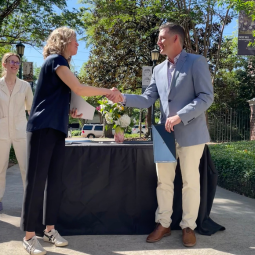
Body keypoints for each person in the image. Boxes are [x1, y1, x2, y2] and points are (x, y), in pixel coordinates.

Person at [109, 22, 214, 247]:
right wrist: (123, 98)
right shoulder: (157, 69)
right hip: (164, 135)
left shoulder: (197, 62)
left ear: (176, 39)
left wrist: (181, 116)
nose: (159, 42)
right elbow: (147, 98)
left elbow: (206, 97)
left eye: (162, 38)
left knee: (190, 182)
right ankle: (163, 224)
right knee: (163, 182)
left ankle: (188, 226)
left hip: (191, 133)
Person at [20, 27, 122, 255]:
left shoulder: (61, 65)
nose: (77, 45)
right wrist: (108, 91)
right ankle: (28, 236)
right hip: (42, 128)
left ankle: (49, 230)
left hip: (56, 128)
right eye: (75, 41)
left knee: (55, 182)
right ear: (64, 42)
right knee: (36, 182)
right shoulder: (56, 60)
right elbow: (78, 88)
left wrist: (71, 110)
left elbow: (61, 97)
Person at [0, 52, 33, 212]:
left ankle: (30, 201)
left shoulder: (25, 86)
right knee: (0, 167)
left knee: (26, 167)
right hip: (1, 131)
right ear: (4, 64)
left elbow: (31, 110)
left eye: (17, 62)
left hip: (21, 130)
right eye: (11, 61)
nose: (14, 64)